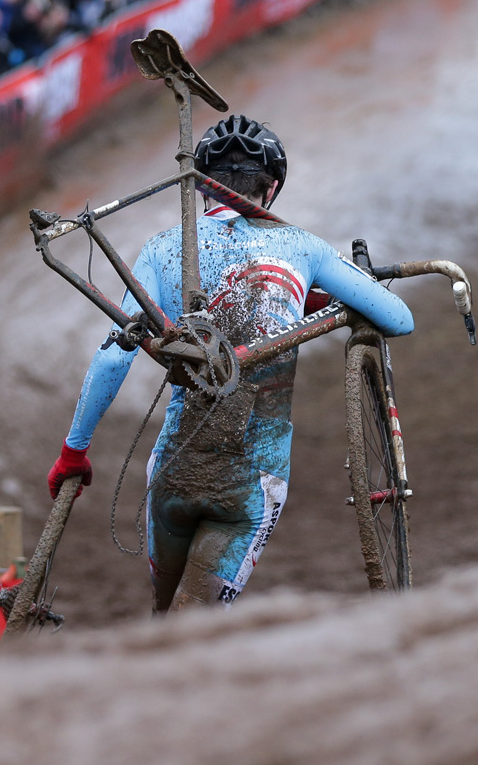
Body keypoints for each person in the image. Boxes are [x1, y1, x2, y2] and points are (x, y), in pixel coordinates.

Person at [46, 115, 414, 613]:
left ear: (200, 188)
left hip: (173, 472)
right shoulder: (300, 247)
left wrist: (74, 452)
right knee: (191, 633)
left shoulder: (164, 248)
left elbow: (115, 355)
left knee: (162, 620)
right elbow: (399, 318)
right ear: (273, 187)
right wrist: (307, 294)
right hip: (251, 482)